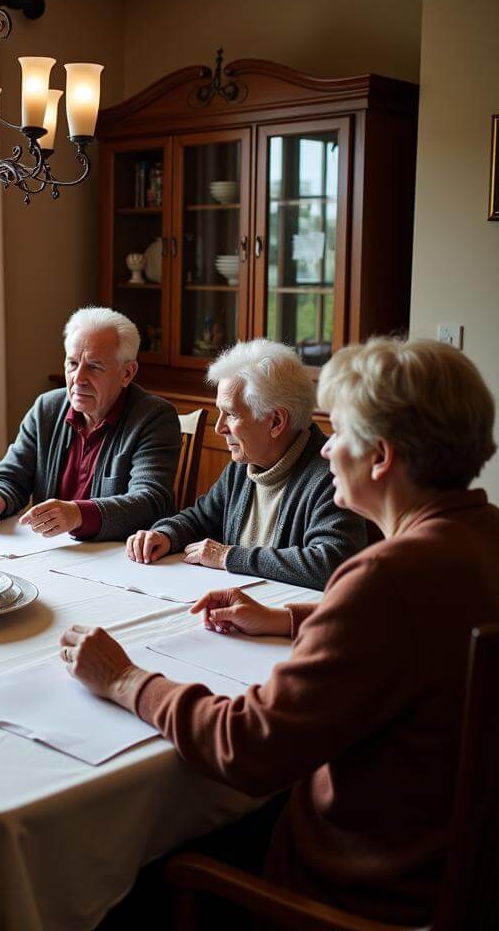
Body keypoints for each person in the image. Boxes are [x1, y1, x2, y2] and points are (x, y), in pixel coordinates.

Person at [61, 337, 499, 926]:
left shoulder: (382, 580)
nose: (324, 452)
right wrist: (292, 616)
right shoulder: (480, 538)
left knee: (126, 873)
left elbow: (247, 746)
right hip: (447, 866)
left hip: (352, 890)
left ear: (382, 457)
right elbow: (423, 627)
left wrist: (124, 679)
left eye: (338, 433)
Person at [126, 339, 365, 589]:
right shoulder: (244, 466)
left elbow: (332, 562)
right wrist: (165, 535)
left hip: (287, 620)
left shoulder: (331, 475)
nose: (219, 427)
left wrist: (228, 556)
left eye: (231, 414)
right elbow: (200, 519)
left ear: (276, 422)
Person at [0, 307, 180, 541]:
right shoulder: (47, 408)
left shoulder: (154, 417)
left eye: (94, 366)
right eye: (73, 363)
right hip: (50, 551)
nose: (78, 378)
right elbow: (11, 475)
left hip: (118, 560)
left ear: (127, 373)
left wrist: (78, 515)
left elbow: (150, 501)